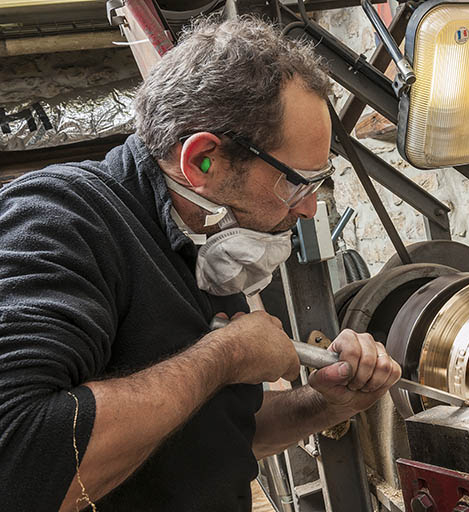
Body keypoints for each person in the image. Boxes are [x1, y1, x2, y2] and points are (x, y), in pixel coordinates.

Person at [0, 15, 401, 511]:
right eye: (296, 183)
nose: (308, 208)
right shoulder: (60, 218)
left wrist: (324, 403)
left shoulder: (205, 243)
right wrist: (225, 357)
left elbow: (209, 437)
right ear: (202, 161)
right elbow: (21, 464)